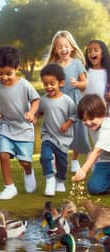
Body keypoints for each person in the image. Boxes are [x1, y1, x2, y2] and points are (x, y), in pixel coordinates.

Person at [0, 46, 40, 200]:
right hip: (6, 126)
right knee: (3, 155)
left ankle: (28, 172)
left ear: (16, 68)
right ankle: (10, 187)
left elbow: (36, 100)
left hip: (24, 127)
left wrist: (31, 112)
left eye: (8, 73)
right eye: (0, 73)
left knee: (24, 162)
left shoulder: (24, 85)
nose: (4, 77)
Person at [45, 30, 89, 173]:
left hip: (75, 101)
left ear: (71, 47)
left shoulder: (76, 63)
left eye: (66, 46)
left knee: (77, 132)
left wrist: (77, 84)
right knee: (58, 131)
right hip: (58, 103)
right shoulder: (53, 66)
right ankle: (57, 160)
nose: (63, 49)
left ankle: (75, 159)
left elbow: (85, 83)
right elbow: (48, 83)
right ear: (55, 50)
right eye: (60, 47)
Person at [38, 64, 76, 196]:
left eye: (52, 83)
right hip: (48, 135)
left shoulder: (67, 100)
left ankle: (60, 180)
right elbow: (39, 112)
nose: (48, 87)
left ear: (61, 83)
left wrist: (68, 122)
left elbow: (75, 114)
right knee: (45, 156)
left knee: (62, 163)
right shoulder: (43, 100)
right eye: (45, 84)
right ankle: (49, 179)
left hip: (63, 138)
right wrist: (33, 116)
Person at [72, 94, 110, 194]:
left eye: (91, 118)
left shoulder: (107, 128)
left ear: (102, 113)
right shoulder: (93, 126)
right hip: (105, 162)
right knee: (93, 188)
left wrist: (83, 170)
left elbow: (96, 152)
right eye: (84, 120)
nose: (88, 123)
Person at [84, 39, 110, 115]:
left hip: (106, 113)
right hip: (87, 112)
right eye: (89, 51)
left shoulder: (108, 71)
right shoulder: (84, 71)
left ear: (102, 54)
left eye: (96, 50)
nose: (92, 52)